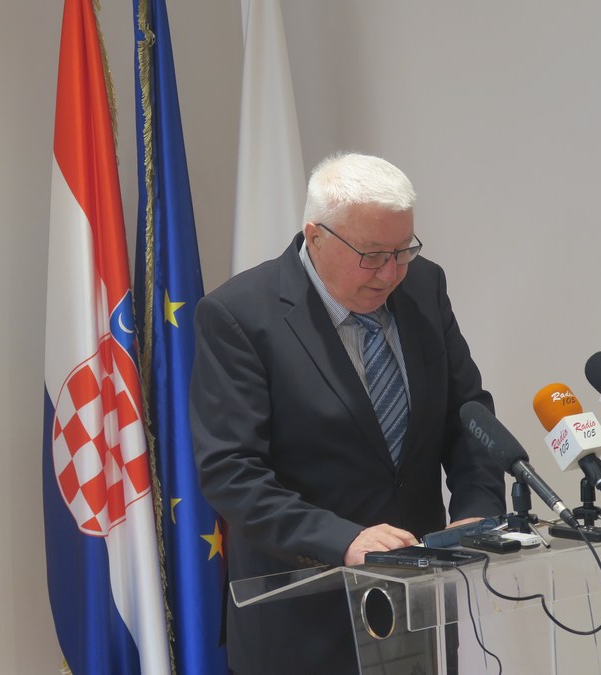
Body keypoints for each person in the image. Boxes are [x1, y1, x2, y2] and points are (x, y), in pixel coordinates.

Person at [189, 152, 505, 674]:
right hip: (303, 623)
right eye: (373, 255)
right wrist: (344, 540)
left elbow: (467, 415)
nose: (391, 273)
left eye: (403, 251)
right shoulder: (240, 315)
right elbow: (232, 473)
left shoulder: (424, 286)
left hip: (418, 607)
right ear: (315, 237)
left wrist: (477, 509)